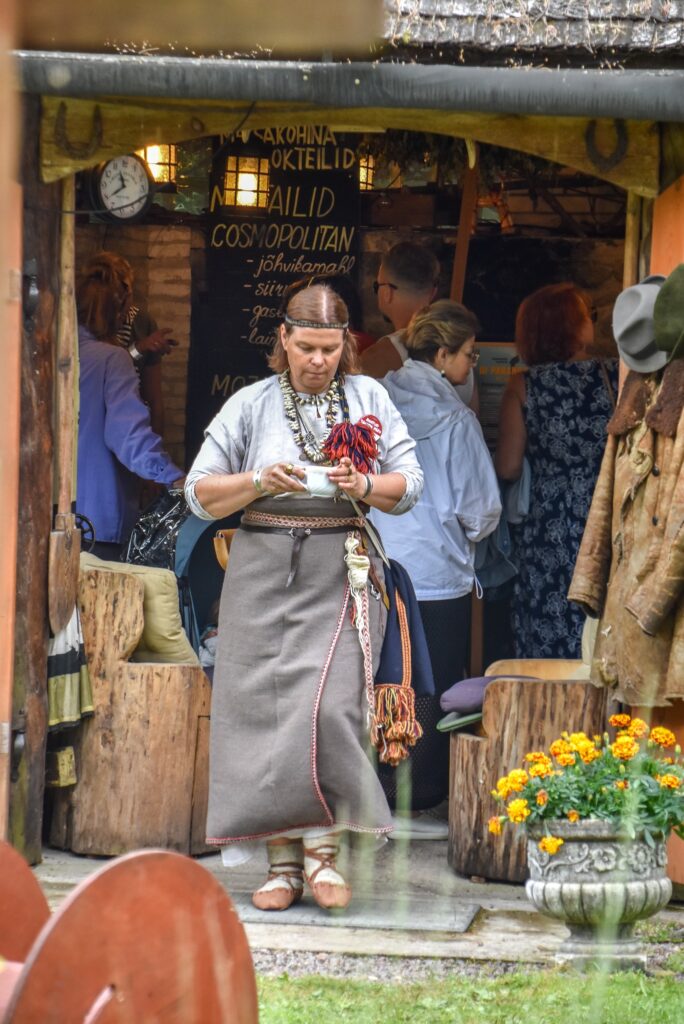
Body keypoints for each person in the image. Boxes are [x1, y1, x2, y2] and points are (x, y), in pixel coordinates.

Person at [184, 284, 424, 912]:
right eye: (307, 347)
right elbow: (198, 494)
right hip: (262, 571)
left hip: (342, 568)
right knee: (263, 718)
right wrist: (258, 480)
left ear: (346, 345)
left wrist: (365, 482)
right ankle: (282, 865)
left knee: (330, 710)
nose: (318, 360)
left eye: (330, 347)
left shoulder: (370, 395)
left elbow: (411, 485)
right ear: (284, 340)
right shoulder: (251, 403)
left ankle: (322, 852)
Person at [371, 301, 501, 832]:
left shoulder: (374, 404)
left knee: (385, 679)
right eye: (469, 356)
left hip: (380, 568)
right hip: (438, 575)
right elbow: (482, 510)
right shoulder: (456, 420)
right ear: (443, 355)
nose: (471, 368)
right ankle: (423, 792)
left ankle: (379, 787)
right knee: (435, 686)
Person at [495, 282, 618, 660]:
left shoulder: (524, 384)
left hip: (549, 520)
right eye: (588, 316)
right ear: (574, 327)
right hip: (605, 510)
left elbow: (509, 467)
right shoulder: (615, 375)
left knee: (548, 613)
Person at [76, 262, 185, 560]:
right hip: (97, 522)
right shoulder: (114, 359)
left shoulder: (46, 353)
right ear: (120, 311)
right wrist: (173, 479)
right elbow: (126, 436)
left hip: (43, 517)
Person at [360, 241, 477, 409]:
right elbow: (474, 417)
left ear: (387, 293)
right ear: (433, 291)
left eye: (377, 286)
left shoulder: (378, 356)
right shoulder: (462, 349)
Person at [83, 251, 178, 435]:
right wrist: (138, 349)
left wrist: (155, 449)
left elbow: (154, 400)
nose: (126, 305)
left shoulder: (142, 322)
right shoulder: (81, 324)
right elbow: (100, 372)